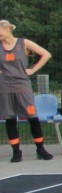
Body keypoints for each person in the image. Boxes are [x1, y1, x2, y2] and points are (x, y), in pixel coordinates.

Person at [0, 20, 52, 161]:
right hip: (5, 86)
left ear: (7, 29)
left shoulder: (23, 43)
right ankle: (16, 152)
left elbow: (46, 54)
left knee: (32, 117)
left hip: (22, 85)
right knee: (10, 118)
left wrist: (33, 70)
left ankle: (40, 149)